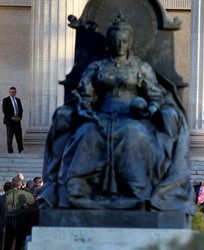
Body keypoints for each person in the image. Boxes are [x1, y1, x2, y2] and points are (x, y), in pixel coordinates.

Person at [39, 14, 193, 212]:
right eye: (115, 40)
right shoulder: (97, 67)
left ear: (129, 42)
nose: (119, 44)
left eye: (123, 41)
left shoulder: (140, 67)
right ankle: (77, 188)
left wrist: (150, 109)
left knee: (132, 133)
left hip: (134, 117)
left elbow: (156, 96)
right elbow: (85, 94)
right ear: (110, 42)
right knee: (88, 133)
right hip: (100, 115)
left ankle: (136, 189)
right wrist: (85, 110)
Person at [4, 177, 37, 250]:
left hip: (9, 222)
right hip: (22, 223)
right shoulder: (28, 195)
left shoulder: (6, 195)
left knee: (7, 244)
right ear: (20, 185)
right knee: (19, 244)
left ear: (12, 185)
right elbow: (33, 207)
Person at [2, 87, 24, 154]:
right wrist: (12, 117)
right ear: (9, 92)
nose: (12, 93)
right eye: (11, 92)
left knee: (19, 137)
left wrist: (19, 117)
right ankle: (10, 152)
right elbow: (5, 110)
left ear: (15, 92)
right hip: (9, 122)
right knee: (9, 138)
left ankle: (21, 151)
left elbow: (21, 110)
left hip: (17, 121)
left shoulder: (18, 100)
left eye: (14, 92)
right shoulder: (5, 100)